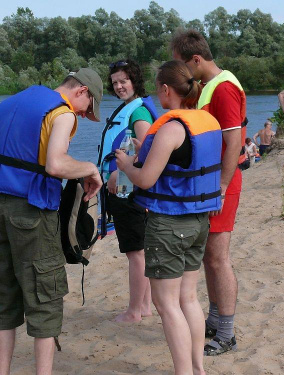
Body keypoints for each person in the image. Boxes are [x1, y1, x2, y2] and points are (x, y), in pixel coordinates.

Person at [0, 68, 103, 375]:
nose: (82, 117)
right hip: (31, 214)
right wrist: (90, 168)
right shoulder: (62, 113)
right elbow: (56, 164)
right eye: (86, 110)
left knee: (4, 295)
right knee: (45, 299)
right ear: (81, 91)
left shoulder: (10, 103)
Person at [115, 60, 221, 375]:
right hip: (199, 222)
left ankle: (183, 372)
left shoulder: (172, 127)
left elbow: (145, 179)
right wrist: (144, 150)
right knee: (188, 298)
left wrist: (124, 165)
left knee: (166, 305)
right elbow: (181, 161)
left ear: (165, 90)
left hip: (170, 224)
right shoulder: (206, 120)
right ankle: (198, 368)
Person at [171, 29, 246, 356]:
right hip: (210, 182)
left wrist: (222, 187)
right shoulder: (209, 87)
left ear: (196, 59)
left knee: (218, 258)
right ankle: (215, 319)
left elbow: (234, 142)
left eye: (182, 65)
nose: (181, 72)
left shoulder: (224, 88)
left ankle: (226, 332)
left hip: (220, 184)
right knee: (208, 257)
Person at [101, 59, 158, 323]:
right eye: (115, 83)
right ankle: (144, 306)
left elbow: (146, 148)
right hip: (129, 186)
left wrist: (119, 172)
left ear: (134, 79)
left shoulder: (138, 112)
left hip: (127, 188)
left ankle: (135, 310)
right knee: (139, 250)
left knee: (135, 252)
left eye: (124, 80)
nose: (120, 86)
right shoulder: (131, 108)